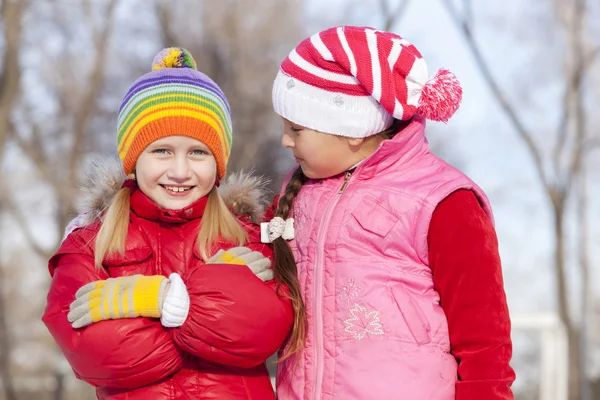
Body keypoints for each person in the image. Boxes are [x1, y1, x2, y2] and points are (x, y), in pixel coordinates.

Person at [263, 26, 516, 399]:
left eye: (297, 128)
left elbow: (483, 335)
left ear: (350, 128)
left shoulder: (442, 200)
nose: (286, 140)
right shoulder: (297, 194)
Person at [42, 47, 297, 399]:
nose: (180, 171)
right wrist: (213, 300)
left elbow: (263, 331)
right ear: (133, 158)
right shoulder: (89, 243)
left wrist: (158, 298)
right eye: (161, 151)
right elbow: (97, 354)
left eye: (198, 152)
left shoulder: (247, 236)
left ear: (218, 162)